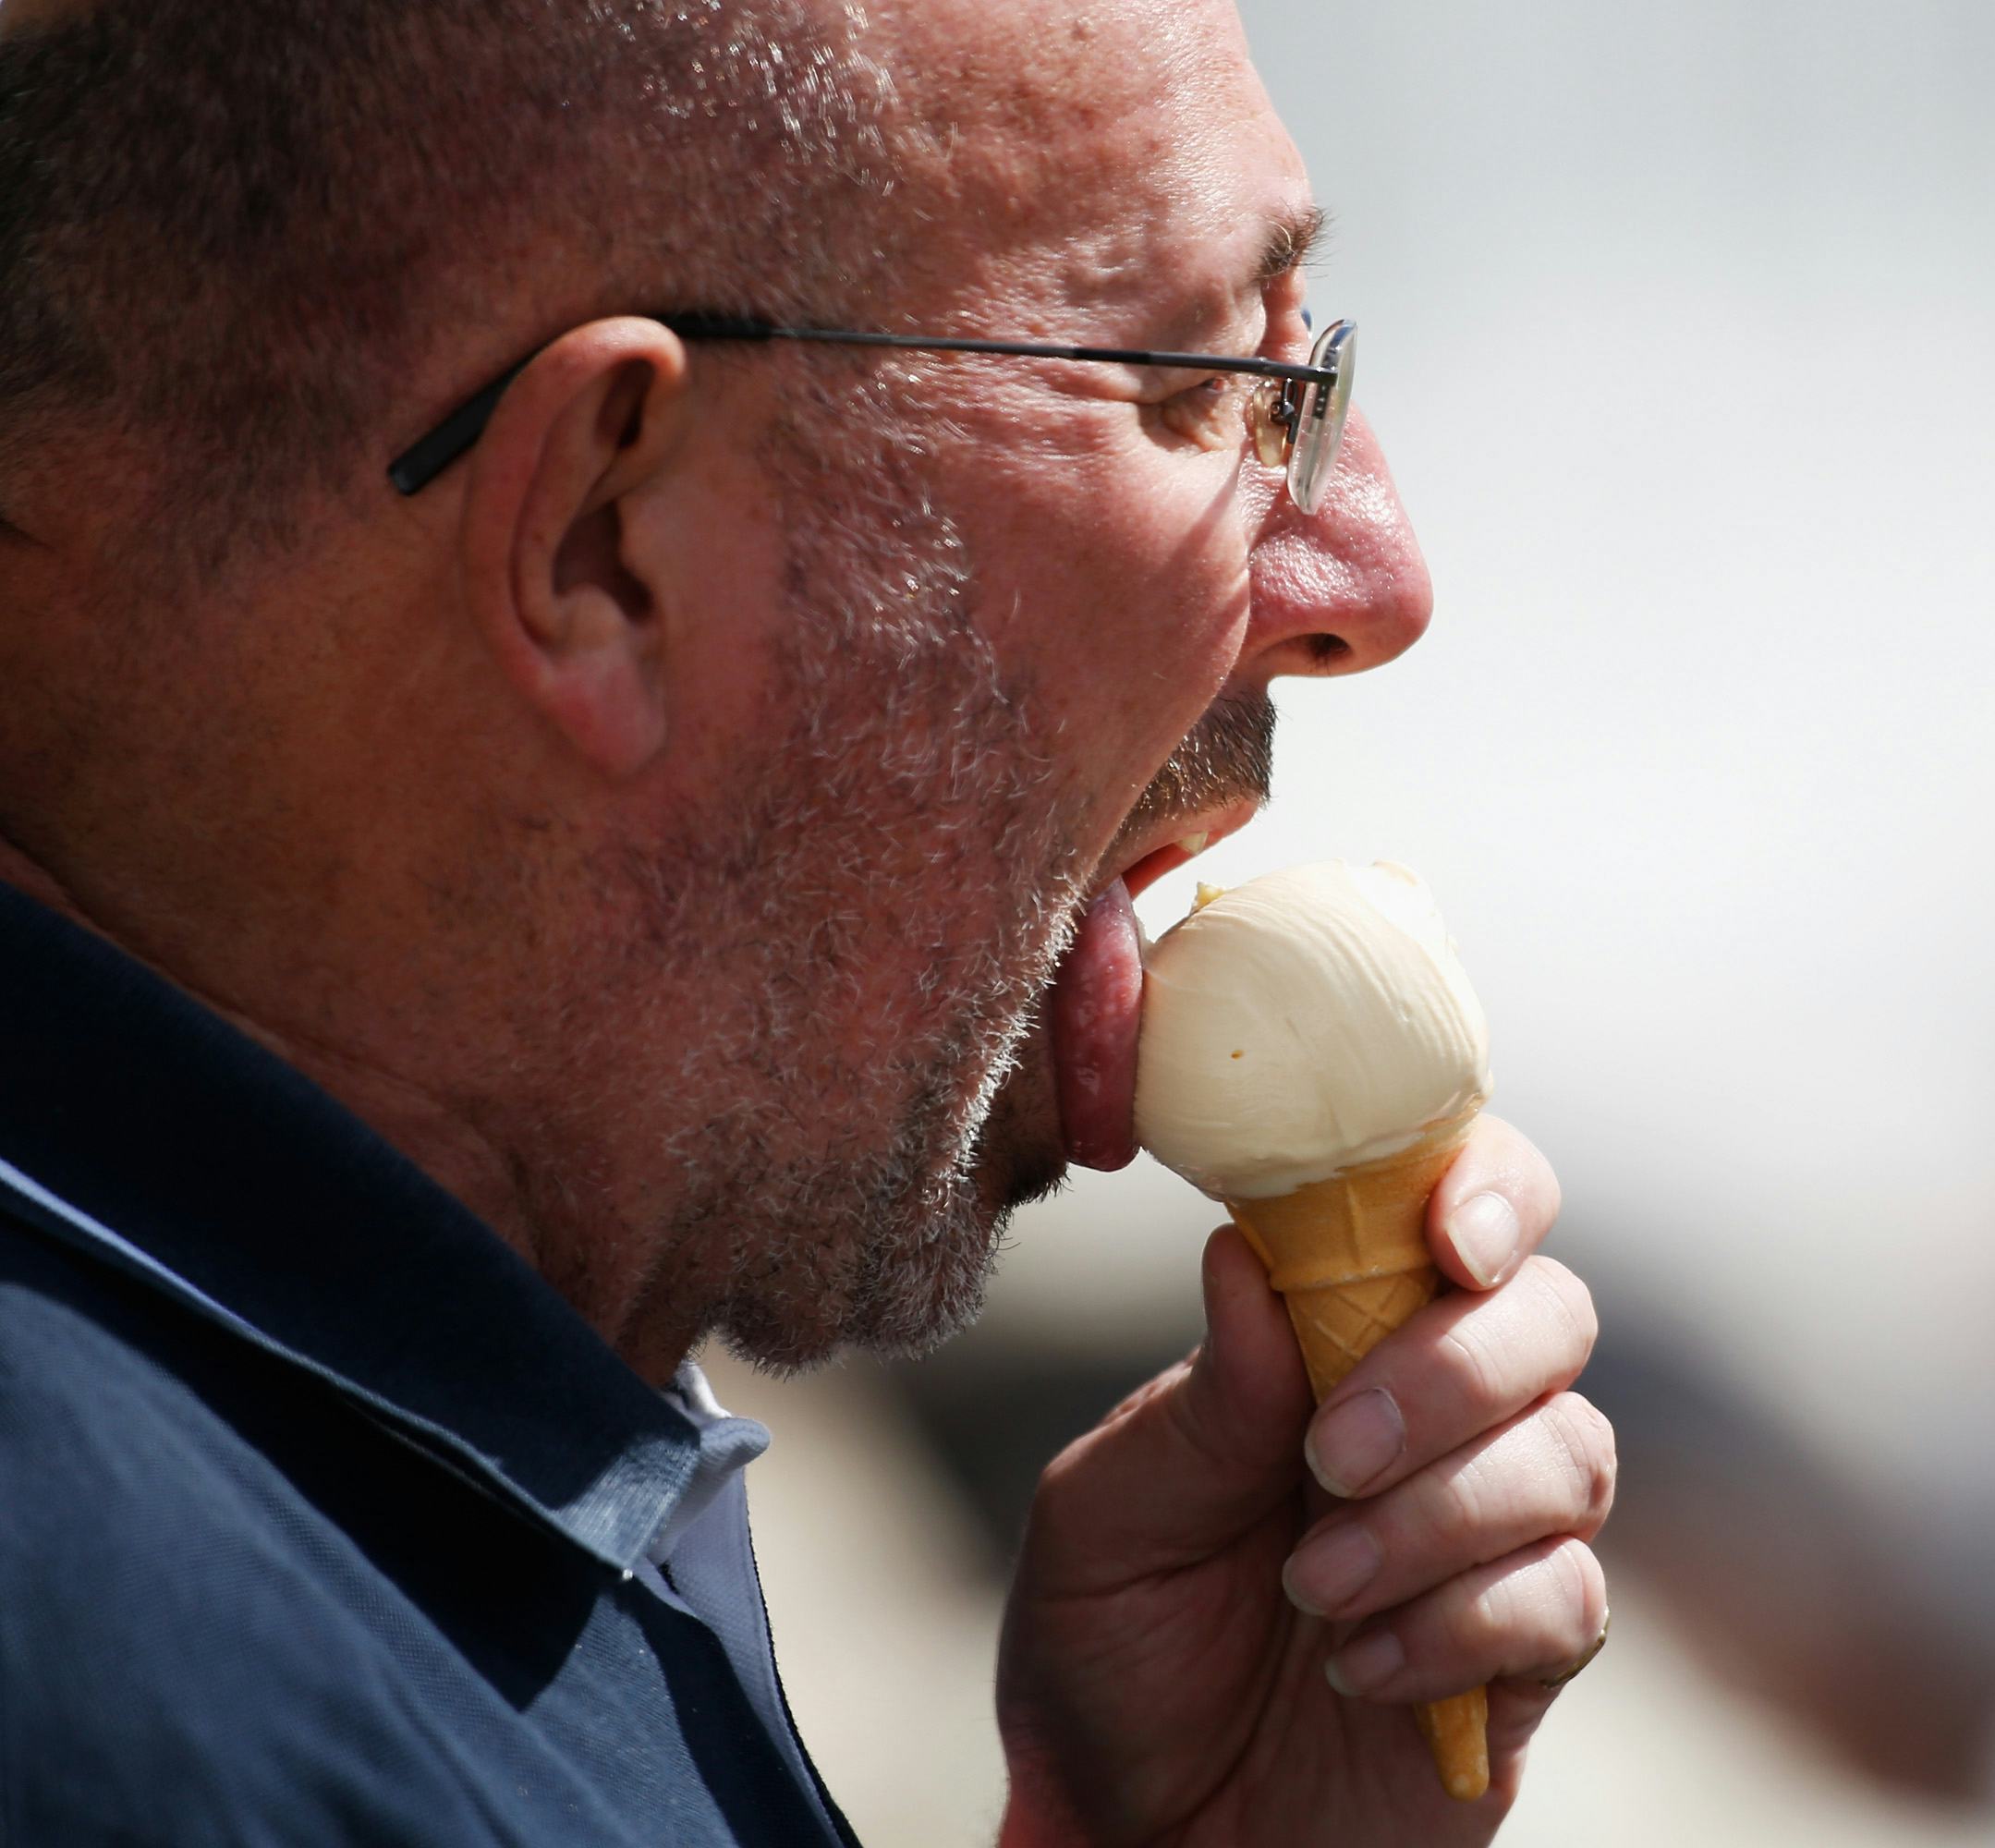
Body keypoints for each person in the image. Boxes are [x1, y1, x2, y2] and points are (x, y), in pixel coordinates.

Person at [0, 0, 1615, 1842]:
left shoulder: (331, 1453)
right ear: (607, 545)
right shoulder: (156, 1712)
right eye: (1200, 387)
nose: (1375, 577)